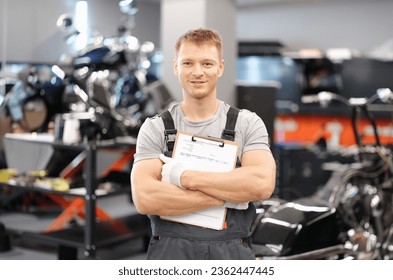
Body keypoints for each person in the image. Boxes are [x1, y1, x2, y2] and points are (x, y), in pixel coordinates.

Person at [130, 27, 276, 260]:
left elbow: (261, 184)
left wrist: (185, 177)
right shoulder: (155, 127)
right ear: (176, 67)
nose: (197, 72)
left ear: (220, 67)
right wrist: (229, 196)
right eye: (188, 63)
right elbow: (145, 198)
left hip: (231, 252)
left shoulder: (247, 123)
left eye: (207, 64)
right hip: (170, 252)